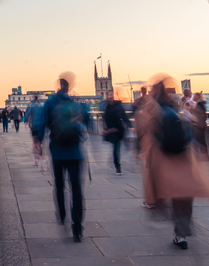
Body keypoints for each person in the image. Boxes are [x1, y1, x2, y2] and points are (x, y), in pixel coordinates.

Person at [135, 76, 209, 250]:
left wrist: (140, 148)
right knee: (184, 193)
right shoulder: (175, 105)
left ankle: (165, 215)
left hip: (164, 157)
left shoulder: (152, 108)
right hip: (182, 155)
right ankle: (181, 232)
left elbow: (145, 131)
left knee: (166, 190)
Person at [34, 77, 90, 242]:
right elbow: (87, 119)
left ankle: (62, 213)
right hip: (75, 152)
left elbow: (42, 123)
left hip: (58, 152)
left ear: (59, 87)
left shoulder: (50, 103)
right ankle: (77, 227)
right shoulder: (75, 102)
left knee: (59, 185)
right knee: (77, 189)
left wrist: (39, 141)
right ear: (69, 88)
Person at [102, 92, 132, 175]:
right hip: (112, 131)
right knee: (116, 148)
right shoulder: (107, 107)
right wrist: (109, 129)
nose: (110, 98)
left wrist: (129, 125)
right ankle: (117, 167)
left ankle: (117, 160)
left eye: (111, 96)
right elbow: (106, 119)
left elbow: (124, 116)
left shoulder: (118, 106)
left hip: (119, 130)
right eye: (109, 96)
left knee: (117, 147)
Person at [25, 96, 44, 166]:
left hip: (34, 126)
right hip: (41, 126)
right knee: (41, 143)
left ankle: (36, 159)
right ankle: (42, 162)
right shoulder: (42, 106)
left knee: (35, 143)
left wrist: (27, 122)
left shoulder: (31, 106)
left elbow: (27, 115)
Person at [191, 92, 208, 160]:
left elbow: (198, 113)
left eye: (194, 96)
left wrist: (190, 109)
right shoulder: (201, 104)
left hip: (199, 125)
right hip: (201, 125)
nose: (193, 98)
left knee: (200, 141)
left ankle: (203, 157)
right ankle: (204, 156)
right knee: (201, 141)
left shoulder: (199, 104)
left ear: (198, 97)